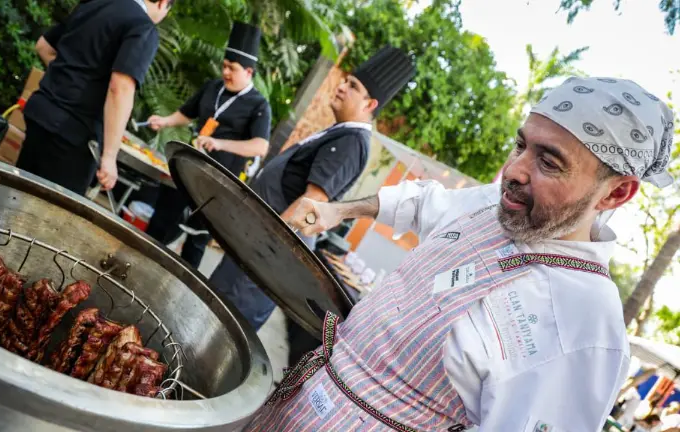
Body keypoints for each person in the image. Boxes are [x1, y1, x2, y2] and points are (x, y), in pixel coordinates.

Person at [244, 77, 675, 431]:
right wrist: (340, 209)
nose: (515, 171)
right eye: (520, 145)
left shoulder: (584, 329)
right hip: (299, 405)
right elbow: (422, 201)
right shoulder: (497, 206)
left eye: (549, 162)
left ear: (616, 192)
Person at [206, 46, 415, 332]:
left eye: (352, 86)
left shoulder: (351, 142)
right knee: (208, 313)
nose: (341, 87)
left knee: (220, 329)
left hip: (265, 260)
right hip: (255, 251)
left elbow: (311, 207)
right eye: (346, 81)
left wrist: (261, 247)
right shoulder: (338, 131)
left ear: (370, 104)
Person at [145, 21, 271, 268]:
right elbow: (186, 113)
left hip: (218, 183)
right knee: (161, 220)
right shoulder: (213, 87)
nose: (225, 72)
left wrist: (219, 143)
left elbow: (260, 147)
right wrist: (164, 121)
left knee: (196, 241)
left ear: (249, 72)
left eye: (232, 69)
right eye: (224, 66)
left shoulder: (259, 105)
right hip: (187, 167)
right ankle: (141, 258)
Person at [17, 0, 172, 195]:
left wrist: (71, 81)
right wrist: (109, 157)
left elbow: (43, 47)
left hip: (41, 112)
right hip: (73, 135)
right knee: (49, 218)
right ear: (163, 3)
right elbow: (120, 89)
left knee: (16, 197)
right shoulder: (142, 26)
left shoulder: (94, 3)